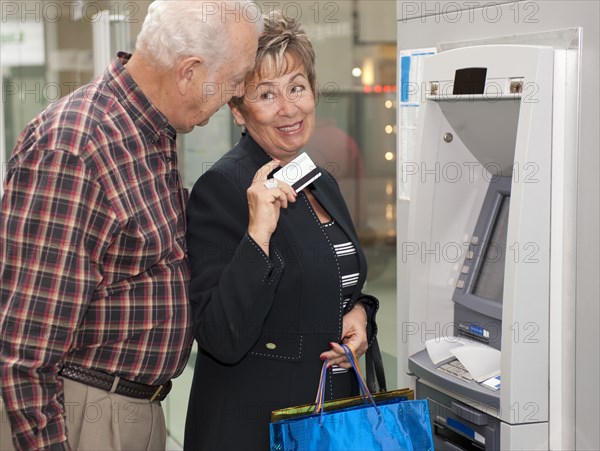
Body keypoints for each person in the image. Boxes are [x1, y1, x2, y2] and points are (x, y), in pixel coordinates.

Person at [0, 1, 262, 450]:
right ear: (189, 72)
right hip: (84, 416)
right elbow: (24, 349)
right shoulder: (75, 147)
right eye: (237, 78)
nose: (237, 94)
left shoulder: (148, 134)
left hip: (133, 408)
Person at [184, 11, 380, 450]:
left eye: (296, 87)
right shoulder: (224, 186)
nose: (289, 108)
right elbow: (219, 335)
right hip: (256, 425)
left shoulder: (319, 181)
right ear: (237, 109)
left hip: (324, 420)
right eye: (266, 94)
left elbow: (334, 284)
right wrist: (258, 235)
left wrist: (361, 315)